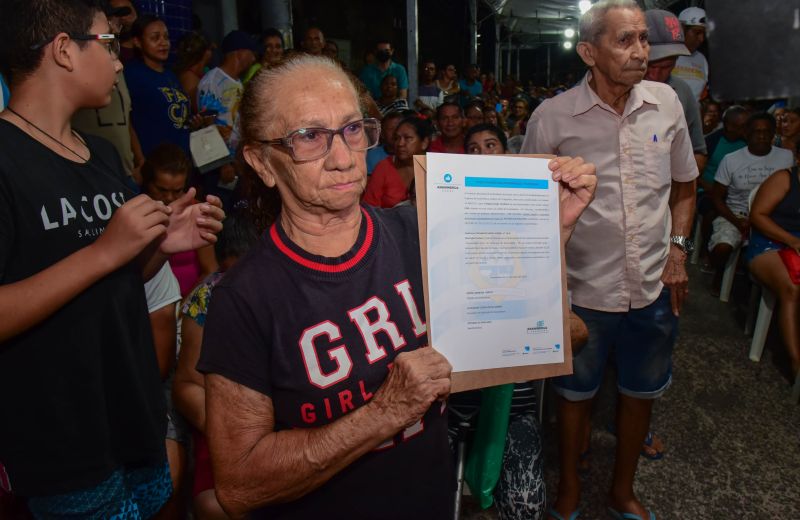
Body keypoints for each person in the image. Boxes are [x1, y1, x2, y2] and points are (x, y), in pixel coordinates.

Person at [196, 53, 596, 518]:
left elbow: (564, 333)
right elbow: (240, 485)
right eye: (308, 137)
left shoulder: (423, 230)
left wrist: (545, 240)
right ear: (263, 162)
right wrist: (383, 413)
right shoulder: (243, 299)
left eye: (352, 129)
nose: (344, 158)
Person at [0, 1, 224, 516]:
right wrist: (105, 251)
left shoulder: (99, 154)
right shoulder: (6, 160)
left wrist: (156, 244)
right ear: (63, 51)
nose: (120, 60)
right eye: (107, 43)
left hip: (131, 411)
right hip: (64, 442)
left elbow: (118, 279)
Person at [521, 2, 698, 518]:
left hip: (653, 286)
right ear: (588, 52)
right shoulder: (552, 117)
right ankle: (570, 486)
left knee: (639, 392)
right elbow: (532, 207)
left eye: (644, 39)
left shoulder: (666, 103)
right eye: (625, 40)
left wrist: (678, 252)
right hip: (582, 291)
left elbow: (685, 185)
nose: (641, 51)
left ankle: (622, 490)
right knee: (574, 396)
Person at [174, 213, 261, 520]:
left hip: (281, 426)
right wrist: (228, 431)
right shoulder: (206, 299)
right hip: (224, 425)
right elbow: (186, 386)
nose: (239, 288)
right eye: (229, 275)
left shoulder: (288, 289)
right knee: (216, 505)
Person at [708, 113, 794, 296]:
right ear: (747, 133)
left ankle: (749, 281)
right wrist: (738, 222)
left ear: (773, 134)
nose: (762, 136)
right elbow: (717, 198)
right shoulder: (731, 159)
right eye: (757, 132)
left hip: (772, 217)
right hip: (736, 214)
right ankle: (718, 272)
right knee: (722, 247)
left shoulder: (786, 157)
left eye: (766, 132)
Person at [72, 0, 144, 185]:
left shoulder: (116, 66)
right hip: (92, 174)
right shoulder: (82, 70)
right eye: (110, 18)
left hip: (123, 171)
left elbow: (127, 120)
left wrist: (138, 159)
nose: (116, 22)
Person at [747, 141, 800, 378]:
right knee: (792, 288)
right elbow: (757, 216)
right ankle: (796, 362)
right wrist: (792, 241)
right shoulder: (784, 179)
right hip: (770, 243)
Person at [141, 143, 219, 296]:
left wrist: (185, 310)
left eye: (177, 191)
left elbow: (210, 270)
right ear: (148, 184)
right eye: (161, 190)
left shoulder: (195, 213)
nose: (169, 197)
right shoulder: (137, 213)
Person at [644, 9, 708, 175]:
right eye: (650, 66)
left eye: (666, 67)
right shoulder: (615, 89)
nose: (655, 75)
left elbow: (698, 153)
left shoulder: (682, 92)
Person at [125, 14, 192, 155]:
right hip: (155, 163)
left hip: (182, 160)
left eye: (166, 37)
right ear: (137, 42)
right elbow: (127, 122)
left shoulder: (170, 75)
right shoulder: (132, 74)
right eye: (155, 38)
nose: (164, 43)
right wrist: (140, 159)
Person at [197, 30, 257, 155]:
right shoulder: (212, 81)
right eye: (251, 53)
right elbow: (208, 127)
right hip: (223, 161)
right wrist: (223, 165)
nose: (254, 58)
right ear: (240, 53)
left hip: (237, 158)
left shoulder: (237, 82)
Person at [363, 115, 432, 208]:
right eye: (397, 138)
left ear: (424, 143)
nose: (400, 143)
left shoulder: (435, 167)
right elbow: (370, 207)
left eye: (407, 138)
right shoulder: (383, 168)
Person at [670, 6, 708, 101]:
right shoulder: (667, 54)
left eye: (704, 33)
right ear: (682, 28)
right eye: (697, 32)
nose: (701, 39)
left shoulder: (702, 59)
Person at [175, 31, 213, 113]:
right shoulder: (189, 78)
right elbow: (199, 108)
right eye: (210, 49)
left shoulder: (201, 73)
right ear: (206, 53)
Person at [365, 109, 411, 175]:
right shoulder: (372, 156)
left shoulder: (411, 154)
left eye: (399, 127)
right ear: (382, 134)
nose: (396, 132)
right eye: (391, 129)